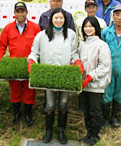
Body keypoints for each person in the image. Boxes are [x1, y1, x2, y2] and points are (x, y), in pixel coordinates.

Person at [28, 8, 84, 144]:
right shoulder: (42, 35)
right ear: (51, 19)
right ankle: (48, 131)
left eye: (61, 18)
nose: (58, 21)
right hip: (49, 76)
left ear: (65, 20)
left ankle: (61, 131)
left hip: (64, 76)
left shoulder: (70, 34)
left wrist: (77, 61)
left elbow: (74, 53)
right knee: (50, 104)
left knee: (63, 103)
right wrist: (31, 61)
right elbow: (34, 52)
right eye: (56, 18)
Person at [0, 2, 40, 127]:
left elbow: (40, 46)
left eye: (22, 11)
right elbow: (1, 46)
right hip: (14, 67)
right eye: (18, 11)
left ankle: (28, 114)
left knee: (30, 91)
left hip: (30, 65)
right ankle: (16, 114)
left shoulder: (35, 27)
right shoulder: (8, 28)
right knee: (15, 91)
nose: (20, 14)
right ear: (14, 13)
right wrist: (2, 62)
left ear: (27, 13)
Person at [78, 16, 111, 146]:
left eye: (91, 26)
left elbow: (105, 66)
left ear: (96, 28)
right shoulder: (82, 44)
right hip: (83, 84)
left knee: (95, 110)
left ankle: (95, 135)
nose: (88, 29)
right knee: (86, 110)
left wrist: (91, 76)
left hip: (95, 84)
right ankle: (88, 133)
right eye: (86, 26)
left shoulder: (102, 45)